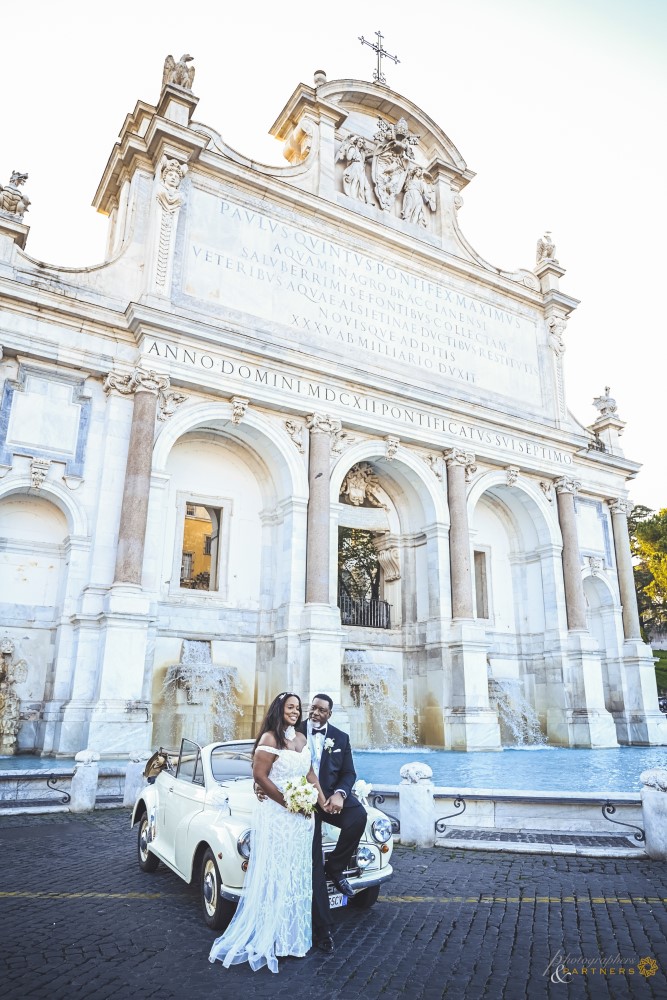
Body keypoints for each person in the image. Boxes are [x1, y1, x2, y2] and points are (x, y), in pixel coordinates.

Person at [208, 692, 326, 974]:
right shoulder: (270, 739)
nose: (295, 712)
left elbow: (309, 773)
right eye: (290, 707)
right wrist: (289, 803)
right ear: (279, 709)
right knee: (275, 871)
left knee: (296, 872)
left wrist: (320, 801)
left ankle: (293, 938)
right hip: (277, 816)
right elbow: (260, 776)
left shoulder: (300, 738)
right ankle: (271, 938)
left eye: (298, 708)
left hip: (301, 819)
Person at [300, 694, 367, 952]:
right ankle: (323, 929)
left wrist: (340, 794)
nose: (315, 713)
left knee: (359, 816)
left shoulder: (340, 737)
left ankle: (336, 866)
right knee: (314, 860)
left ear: (329, 714)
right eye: (312, 708)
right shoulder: (294, 732)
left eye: (321, 710)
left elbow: (349, 772)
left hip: (330, 799)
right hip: (304, 802)